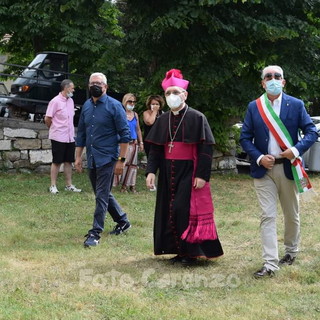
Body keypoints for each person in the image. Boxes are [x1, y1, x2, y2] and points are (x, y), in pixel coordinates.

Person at [240, 65, 317, 278]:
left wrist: (294, 150)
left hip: (289, 169)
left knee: (291, 214)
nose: (273, 79)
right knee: (267, 216)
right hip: (263, 171)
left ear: (283, 81)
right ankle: (270, 263)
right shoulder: (254, 107)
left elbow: (311, 131)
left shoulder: (297, 104)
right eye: (268, 77)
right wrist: (258, 157)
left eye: (277, 76)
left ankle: (291, 251)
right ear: (262, 83)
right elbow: (245, 137)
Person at [145, 69, 224, 265]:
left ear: (185, 95)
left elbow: (205, 149)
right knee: (169, 210)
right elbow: (155, 149)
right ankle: (178, 251)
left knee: (184, 209)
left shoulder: (197, 118)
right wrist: (150, 172)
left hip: (189, 170)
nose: (172, 96)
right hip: (167, 170)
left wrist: (202, 175)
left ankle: (191, 253)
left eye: (175, 92)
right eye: (168, 93)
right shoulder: (162, 119)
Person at [75, 72, 132, 248]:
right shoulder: (86, 106)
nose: (95, 85)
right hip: (92, 158)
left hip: (108, 158)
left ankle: (95, 233)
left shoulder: (115, 106)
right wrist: (78, 157)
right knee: (103, 193)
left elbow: (125, 136)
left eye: (99, 83)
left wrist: (121, 161)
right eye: (92, 83)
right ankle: (123, 221)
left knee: (101, 195)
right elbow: (82, 133)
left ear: (105, 87)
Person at [45, 79, 81, 194]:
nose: (73, 90)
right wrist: (54, 128)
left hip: (69, 136)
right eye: (72, 88)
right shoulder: (55, 101)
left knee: (68, 161)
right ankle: (53, 185)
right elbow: (48, 118)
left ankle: (69, 184)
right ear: (66, 88)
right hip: (58, 136)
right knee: (57, 161)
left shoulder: (71, 101)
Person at [113, 93, 144, 193]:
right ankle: (121, 185)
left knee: (133, 165)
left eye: (134, 102)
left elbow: (138, 129)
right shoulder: (120, 113)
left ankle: (131, 185)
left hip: (134, 143)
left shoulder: (135, 115)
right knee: (122, 162)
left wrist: (141, 141)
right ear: (125, 102)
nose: (132, 103)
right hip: (123, 143)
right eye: (130, 101)